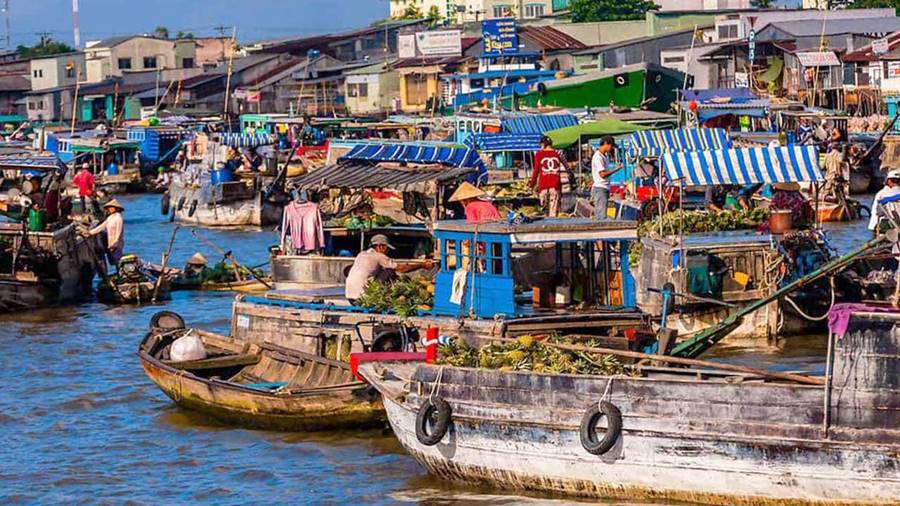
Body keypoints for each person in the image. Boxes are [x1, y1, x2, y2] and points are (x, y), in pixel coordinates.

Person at [344, 235, 433, 303]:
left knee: (384, 271)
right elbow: (401, 269)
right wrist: (422, 265)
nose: (388, 251)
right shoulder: (379, 256)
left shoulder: (361, 254)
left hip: (350, 297)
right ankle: (392, 296)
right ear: (380, 247)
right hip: (363, 299)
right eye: (386, 248)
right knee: (390, 271)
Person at [590, 136, 624, 220]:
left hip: (603, 188)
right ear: (606, 144)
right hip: (600, 188)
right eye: (611, 146)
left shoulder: (603, 156)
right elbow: (602, 174)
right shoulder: (598, 157)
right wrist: (616, 169)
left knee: (601, 214)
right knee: (601, 216)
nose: (611, 148)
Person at [530, 136, 564, 217]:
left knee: (543, 213)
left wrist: (532, 184)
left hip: (543, 188)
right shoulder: (558, 153)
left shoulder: (539, 154)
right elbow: (567, 168)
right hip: (555, 187)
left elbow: (535, 172)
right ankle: (553, 228)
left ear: (543, 144)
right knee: (553, 213)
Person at [88, 199, 125, 266]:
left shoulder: (119, 218)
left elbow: (119, 232)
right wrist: (90, 233)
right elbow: (102, 226)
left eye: (111, 207)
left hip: (117, 243)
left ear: (116, 208)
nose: (110, 209)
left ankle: (120, 274)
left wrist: (115, 243)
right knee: (112, 261)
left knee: (117, 260)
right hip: (110, 242)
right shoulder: (110, 217)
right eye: (109, 207)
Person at [869, 169, 900, 238]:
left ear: (888, 181)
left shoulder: (881, 194)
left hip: (886, 228)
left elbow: (875, 214)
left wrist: (873, 230)